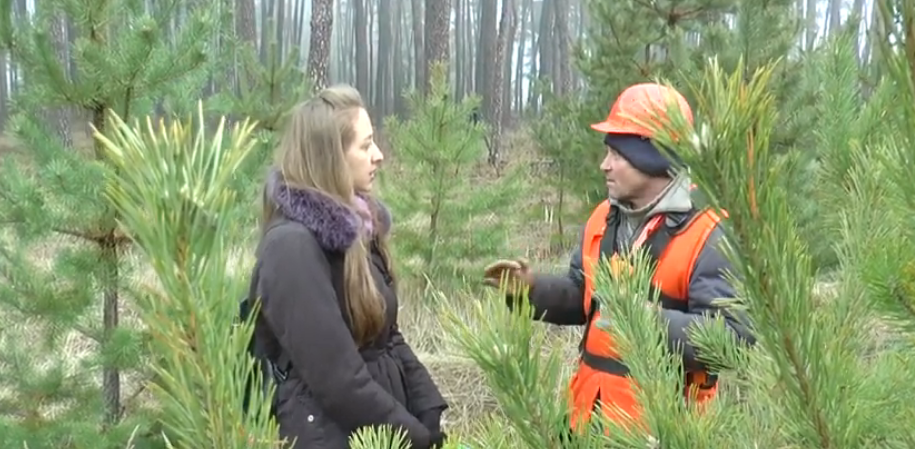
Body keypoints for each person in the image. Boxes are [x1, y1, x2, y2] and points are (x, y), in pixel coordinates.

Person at [482, 83, 755, 433]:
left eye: (616, 154)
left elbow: (732, 339)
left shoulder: (709, 235)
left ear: (653, 158)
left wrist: (643, 320)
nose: (604, 165)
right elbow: (584, 297)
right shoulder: (603, 218)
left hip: (664, 433)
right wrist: (530, 290)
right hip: (587, 421)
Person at [249, 85, 448, 449]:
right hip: (331, 435)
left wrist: (428, 408)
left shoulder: (359, 229)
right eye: (365, 145)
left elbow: (387, 336)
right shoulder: (290, 250)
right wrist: (413, 437)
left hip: (380, 428)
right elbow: (338, 380)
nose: (379, 155)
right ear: (332, 158)